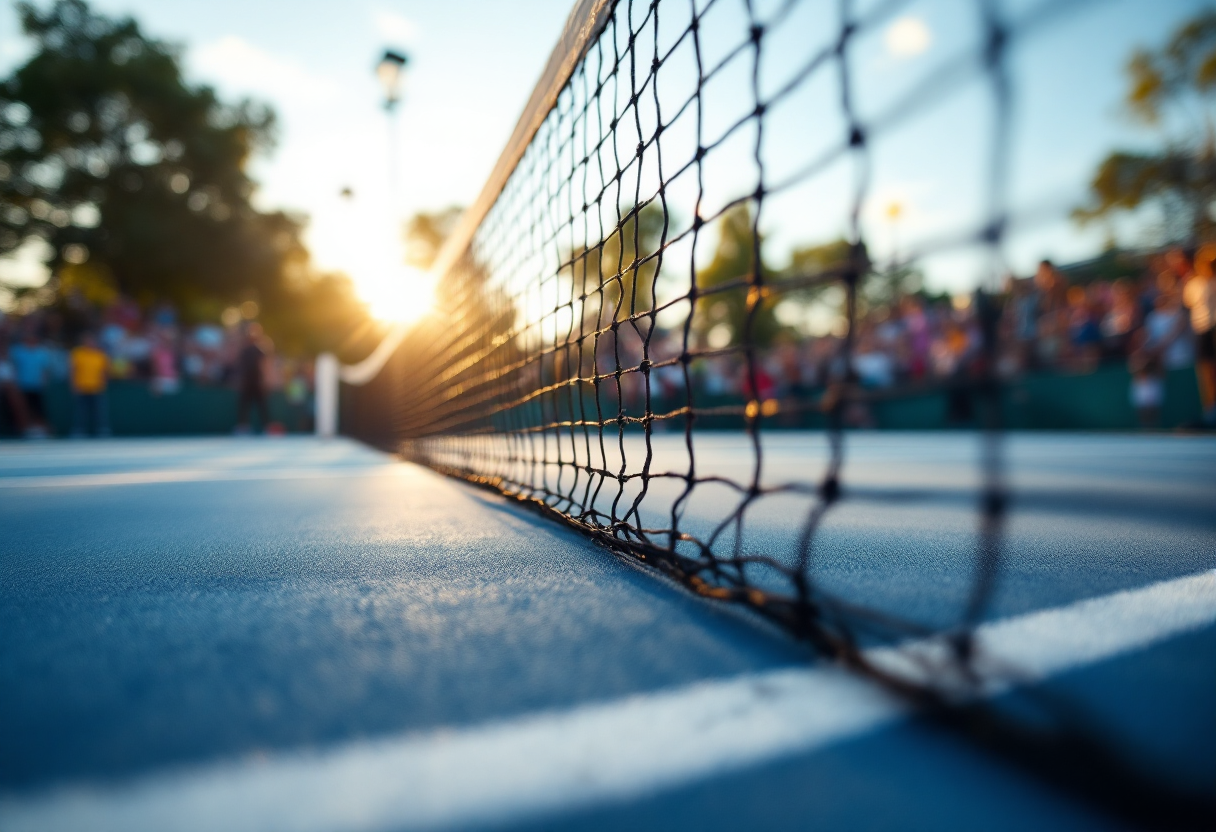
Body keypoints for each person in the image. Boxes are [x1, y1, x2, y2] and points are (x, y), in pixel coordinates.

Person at [1183, 244, 1216, 426]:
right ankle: (1211, 410)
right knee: (1207, 372)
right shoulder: (1193, 285)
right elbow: (1190, 309)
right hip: (1203, 331)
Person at [9, 328, 55, 438]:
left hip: (37, 386)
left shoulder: (42, 352)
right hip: (22, 385)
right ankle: (27, 430)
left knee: (39, 409)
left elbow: (46, 369)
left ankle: (45, 431)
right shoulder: (18, 351)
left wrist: (44, 382)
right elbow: (13, 366)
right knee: (24, 409)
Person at [69, 332, 110, 437]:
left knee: (99, 411)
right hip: (82, 386)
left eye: (92, 341)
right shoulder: (77, 353)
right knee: (80, 411)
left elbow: (104, 371)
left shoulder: (100, 354)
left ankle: (102, 430)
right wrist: (74, 385)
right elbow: (73, 370)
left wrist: (103, 383)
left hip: (96, 387)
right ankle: (79, 430)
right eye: (87, 340)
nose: (90, 343)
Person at [235, 322, 269, 434]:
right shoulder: (244, 350)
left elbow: (263, 366)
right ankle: (243, 427)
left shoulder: (260, 350)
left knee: (262, 406)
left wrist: (264, 380)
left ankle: (266, 428)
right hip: (247, 383)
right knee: (244, 405)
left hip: (257, 382)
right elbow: (241, 367)